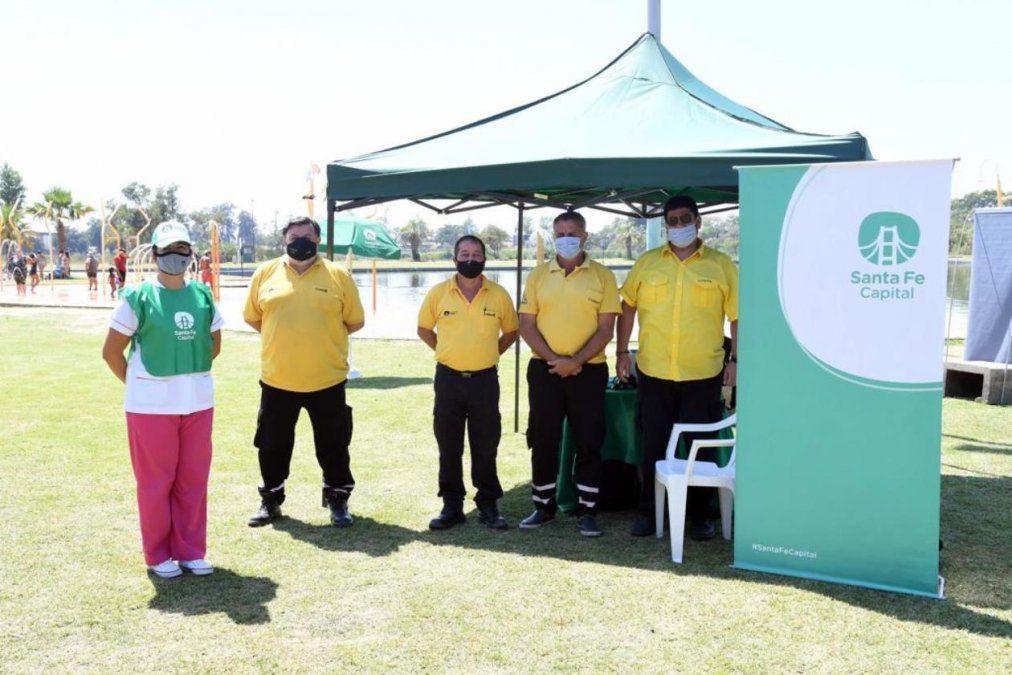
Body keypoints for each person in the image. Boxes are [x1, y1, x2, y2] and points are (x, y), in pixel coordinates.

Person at [101, 221, 223, 578]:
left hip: (198, 402)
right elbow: (111, 352)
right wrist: (139, 387)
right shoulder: (137, 297)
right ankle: (158, 555)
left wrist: (184, 368)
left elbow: (214, 344)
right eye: (168, 250)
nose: (176, 256)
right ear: (154, 254)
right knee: (156, 483)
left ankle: (190, 551)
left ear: (191, 253)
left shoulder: (202, 295)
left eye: (183, 249)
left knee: (193, 479)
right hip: (150, 408)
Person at [616, 195, 739, 540]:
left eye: (686, 219)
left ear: (699, 222)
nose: (680, 225)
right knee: (653, 444)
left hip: (703, 372)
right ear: (666, 224)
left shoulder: (721, 265)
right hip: (654, 372)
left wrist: (735, 360)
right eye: (673, 220)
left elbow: (737, 317)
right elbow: (627, 307)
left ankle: (700, 515)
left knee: (701, 444)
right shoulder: (648, 263)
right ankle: (648, 512)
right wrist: (622, 351)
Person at [243, 216, 365, 528]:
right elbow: (254, 318)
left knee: (334, 444)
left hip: (327, 379)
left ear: (317, 240)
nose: (301, 241)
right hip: (277, 380)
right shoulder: (265, 273)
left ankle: (338, 498)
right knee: (272, 445)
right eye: (294, 236)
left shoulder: (338, 275)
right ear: (284, 240)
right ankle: (270, 499)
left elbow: (354, 321)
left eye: (307, 236)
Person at [518, 210, 621, 537]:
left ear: (585, 236)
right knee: (543, 437)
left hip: (589, 371)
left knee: (589, 440)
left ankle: (587, 510)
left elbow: (607, 329)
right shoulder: (537, 276)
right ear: (553, 236)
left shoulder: (603, 276)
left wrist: (575, 360)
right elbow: (526, 325)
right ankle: (542, 506)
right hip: (544, 369)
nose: (565, 239)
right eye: (559, 233)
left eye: (572, 232)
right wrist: (555, 360)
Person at [417, 235, 519, 531]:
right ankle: (452, 505)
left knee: (486, 444)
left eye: (476, 254)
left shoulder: (498, 294)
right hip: (448, 380)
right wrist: (444, 352)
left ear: (485, 258)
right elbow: (424, 329)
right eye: (464, 253)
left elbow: (511, 332)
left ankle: (488, 503)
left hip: (485, 381)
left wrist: (489, 353)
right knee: (449, 444)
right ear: (454, 259)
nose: (470, 259)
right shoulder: (438, 293)